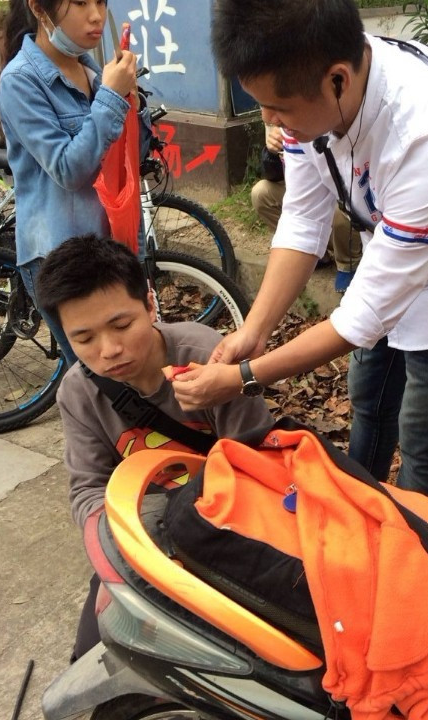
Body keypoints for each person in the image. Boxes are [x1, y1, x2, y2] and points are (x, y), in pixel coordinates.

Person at [170, 0, 428, 501]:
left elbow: (363, 317)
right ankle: (360, 506)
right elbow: (303, 220)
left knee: (422, 434)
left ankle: (415, 532)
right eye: (261, 104)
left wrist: (242, 378)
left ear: (337, 79)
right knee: (369, 400)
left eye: (279, 107)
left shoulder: (427, 133)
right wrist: (253, 331)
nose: (270, 120)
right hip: (385, 253)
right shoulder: (315, 92)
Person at [35, 234, 274, 660]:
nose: (109, 350)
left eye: (121, 326)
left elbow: (259, 464)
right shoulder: (78, 393)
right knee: (97, 656)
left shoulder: (209, 359)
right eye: (84, 338)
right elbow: (89, 489)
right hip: (145, 539)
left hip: (232, 529)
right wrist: (116, 559)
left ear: (149, 304)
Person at [0, 0, 151, 363]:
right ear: (39, 8)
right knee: (102, 376)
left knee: (130, 369)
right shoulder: (21, 80)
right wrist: (112, 97)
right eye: (80, 3)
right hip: (63, 257)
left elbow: (131, 157)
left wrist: (133, 100)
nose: (96, 15)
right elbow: (68, 169)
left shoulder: (93, 70)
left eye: (101, 2)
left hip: (114, 245)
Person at [251, 124, 363, 293]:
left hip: (348, 212)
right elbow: (274, 176)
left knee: (342, 208)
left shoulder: (343, 124)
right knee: (261, 193)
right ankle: (315, 254)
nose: (271, 118)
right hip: (311, 204)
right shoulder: (290, 128)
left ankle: (348, 264)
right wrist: (271, 152)